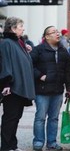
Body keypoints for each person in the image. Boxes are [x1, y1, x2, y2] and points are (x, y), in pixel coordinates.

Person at [30, 26, 70, 151]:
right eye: (53, 32)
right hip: (42, 90)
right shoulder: (38, 50)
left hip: (57, 91)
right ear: (46, 36)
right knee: (40, 117)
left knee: (54, 118)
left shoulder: (63, 50)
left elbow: (68, 71)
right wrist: (40, 76)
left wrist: (69, 88)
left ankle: (52, 143)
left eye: (57, 31)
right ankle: (38, 142)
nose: (57, 33)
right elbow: (29, 65)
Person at [0, 17, 36, 151]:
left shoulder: (18, 43)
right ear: (13, 28)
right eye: (21, 26)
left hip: (18, 87)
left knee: (15, 118)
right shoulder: (7, 43)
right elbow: (5, 64)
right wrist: (6, 84)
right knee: (10, 118)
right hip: (12, 88)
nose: (23, 28)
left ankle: (12, 145)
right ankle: (6, 146)